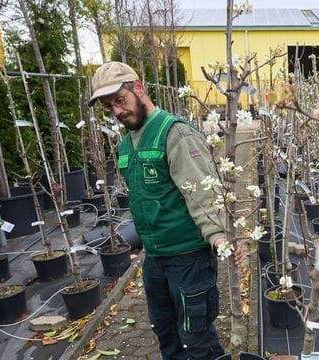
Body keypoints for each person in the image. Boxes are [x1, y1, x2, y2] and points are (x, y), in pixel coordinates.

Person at [88, 61, 242, 360]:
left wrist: (220, 237)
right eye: (110, 106)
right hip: (155, 257)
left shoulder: (175, 134)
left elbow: (204, 194)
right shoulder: (125, 145)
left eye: (120, 100)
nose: (117, 112)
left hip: (189, 258)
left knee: (196, 338)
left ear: (139, 88)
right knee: (165, 332)